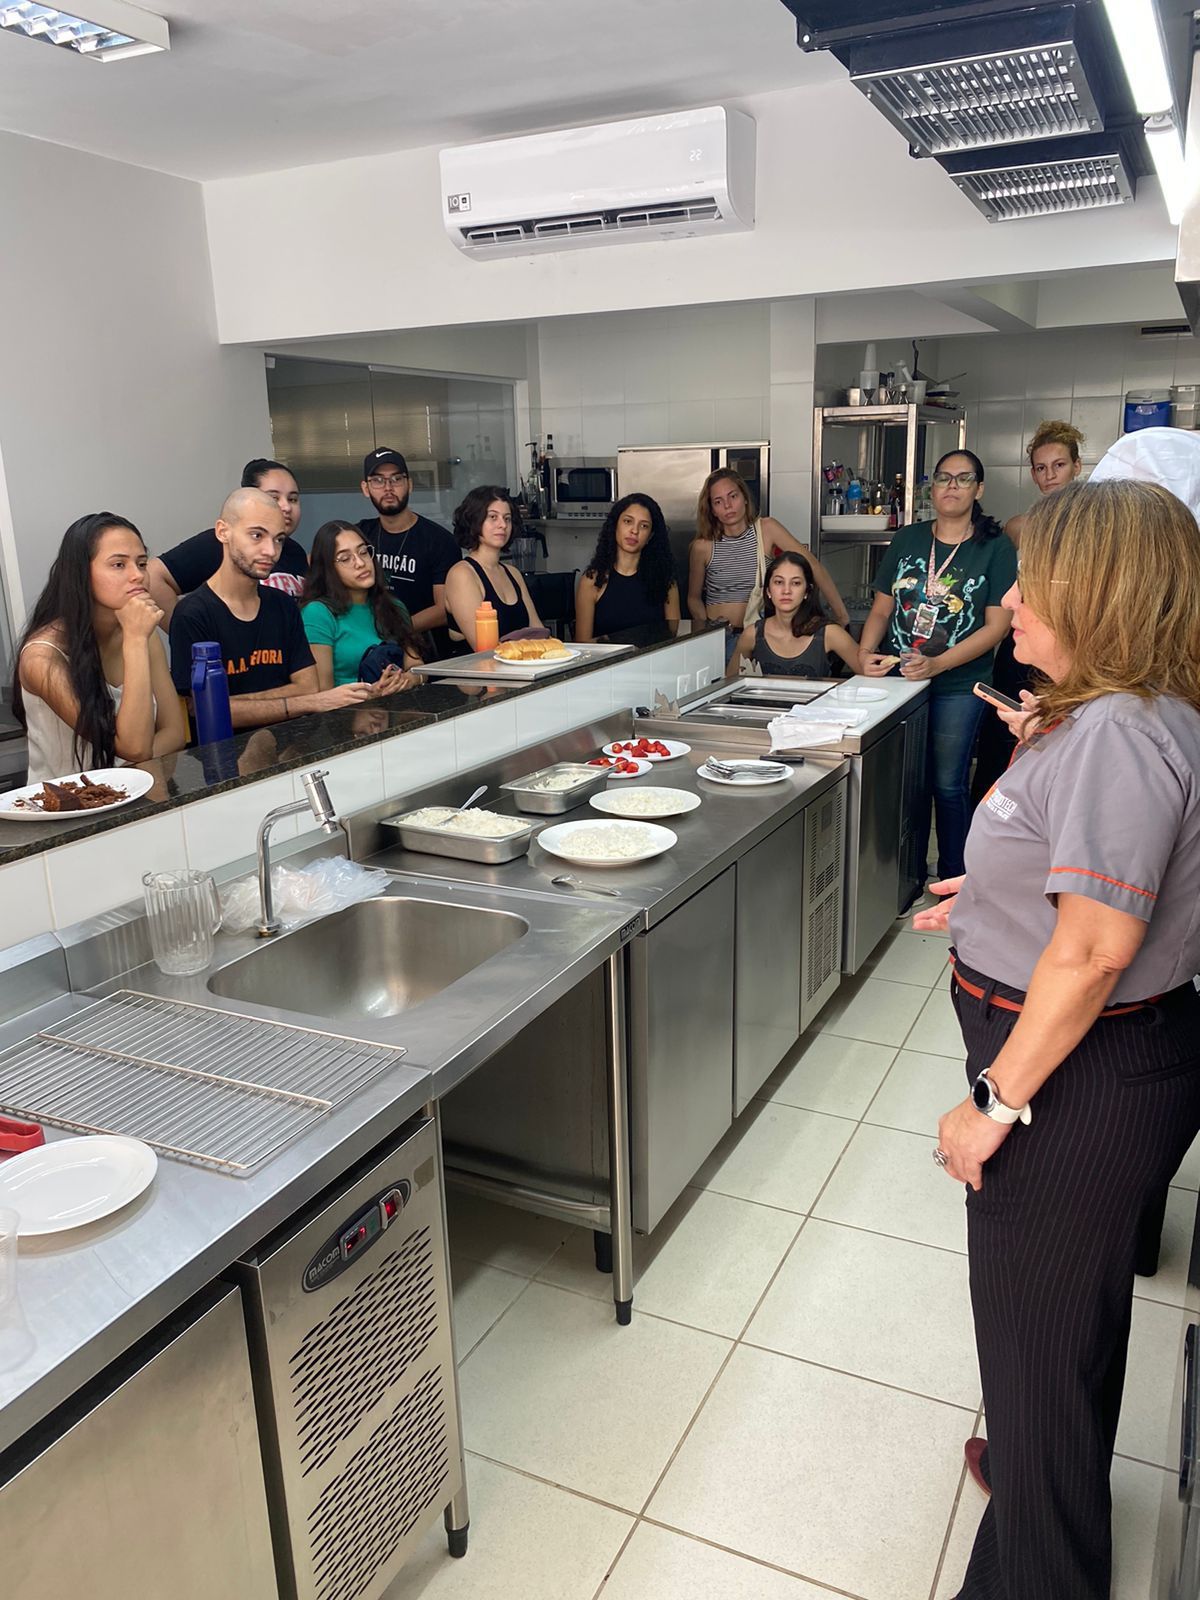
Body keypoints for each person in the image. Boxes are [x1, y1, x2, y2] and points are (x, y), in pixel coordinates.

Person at [913, 478, 1200, 1600]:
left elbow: (1087, 955)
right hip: (1106, 1071)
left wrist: (991, 1107)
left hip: (1076, 1084)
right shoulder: (1119, 709)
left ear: (1110, 594)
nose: (1014, 598)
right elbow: (1091, 885)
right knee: (1068, 1321)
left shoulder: (1119, 733)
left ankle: (1040, 1568)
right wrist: (988, 885)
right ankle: (1053, 1475)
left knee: (1034, 1336)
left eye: (1040, 582)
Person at [859, 449, 1016, 885]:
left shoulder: (995, 548)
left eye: (963, 479)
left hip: (959, 684)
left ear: (978, 489)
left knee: (947, 783)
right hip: (898, 678)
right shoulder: (909, 538)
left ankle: (954, 879)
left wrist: (939, 663)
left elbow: (996, 628)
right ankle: (900, 878)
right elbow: (880, 609)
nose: (952, 486)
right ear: (932, 487)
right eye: (944, 478)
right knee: (901, 781)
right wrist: (862, 655)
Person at [168, 488, 373, 732]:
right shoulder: (192, 615)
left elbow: (308, 686)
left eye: (278, 539)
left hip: (294, 746)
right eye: (257, 535)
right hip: (226, 758)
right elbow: (204, 710)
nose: (271, 551)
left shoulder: (283, 605)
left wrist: (232, 703)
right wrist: (304, 702)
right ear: (223, 531)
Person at [13, 513, 186, 782]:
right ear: (81, 573)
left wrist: (128, 776)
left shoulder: (139, 632)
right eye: (119, 564)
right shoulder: (42, 656)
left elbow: (174, 733)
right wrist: (136, 640)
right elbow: (136, 748)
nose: (137, 576)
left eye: (141, 564)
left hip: (136, 797)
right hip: (66, 812)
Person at [972, 422, 1086, 802]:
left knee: (1058, 733)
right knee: (1001, 734)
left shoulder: (1093, 529)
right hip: (1022, 640)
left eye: (1059, 465)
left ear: (1077, 466)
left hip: (1070, 641)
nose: (1050, 475)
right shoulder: (1021, 527)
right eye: (1041, 467)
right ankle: (991, 818)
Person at [686, 468, 848, 663]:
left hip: (760, 637)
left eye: (733, 496)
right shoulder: (702, 547)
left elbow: (812, 565)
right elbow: (693, 598)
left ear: (744, 497)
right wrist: (707, 633)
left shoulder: (766, 529)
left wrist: (841, 615)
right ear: (711, 509)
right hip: (718, 639)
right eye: (718, 502)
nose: (728, 506)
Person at [147, 459, 308, 624]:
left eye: (293, 499)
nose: (286, 507)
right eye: (273, 497)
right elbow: (153, 575)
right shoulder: (222, 543)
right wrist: (184, 630)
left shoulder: (296, 552)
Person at [358, 448, 459, 656]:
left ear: (409, 484)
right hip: (370, 649)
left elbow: (444, 609)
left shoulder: (439, 540)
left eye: (396, 479)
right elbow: (322, 561)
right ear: (366, 488)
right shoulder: (359, 535)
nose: (388, 488)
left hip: (429, 652)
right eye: (378, 480)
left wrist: (394, 631)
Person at [300, 521, 422, 691]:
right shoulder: (318, 612)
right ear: (328, 568)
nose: (360, 563)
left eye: (363, 552)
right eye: (345, 558)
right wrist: (370, 694)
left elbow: (416, 664)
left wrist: (408, 679)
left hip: (400, 706)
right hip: (347, 713)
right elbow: (322, 693)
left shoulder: (394, 605)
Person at [726, 551, 860, 679]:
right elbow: (728, 685)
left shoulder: (829, 633)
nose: (786, 591)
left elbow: (868, 671)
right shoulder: (751, 634)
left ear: (807, 591)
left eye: (796, 583)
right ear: (768, 591)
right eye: (779, 582)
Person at [444, 486, 546, 649]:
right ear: (473, 520)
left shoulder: (513, 573)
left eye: (507, 519)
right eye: (493, 517)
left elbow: (539, 633)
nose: (502, 525)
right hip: (478, 672)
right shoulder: (462, 574)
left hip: (520, 671)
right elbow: (483, 648)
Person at [574, 494, 679, 641]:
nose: (634, 531)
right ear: (615, 525)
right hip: (610, 663)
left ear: (651, 536)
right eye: (628, 521)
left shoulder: (666, 582)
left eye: (644, 526)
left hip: (654, 663)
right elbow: (583, 645)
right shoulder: (592, 581)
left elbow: (672, 637)